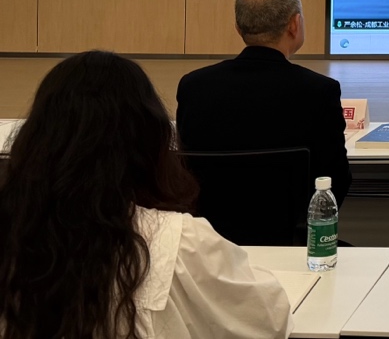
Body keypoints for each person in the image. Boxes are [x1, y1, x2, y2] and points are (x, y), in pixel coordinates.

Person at [0, 51, 291, 339]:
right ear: (148, 140)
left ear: (37, 139)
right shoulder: (179, 243)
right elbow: (269, 317)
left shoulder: (13, 238)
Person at [177, 0, 351, 203]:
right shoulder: (319, 91)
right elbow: (336, 179)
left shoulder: (193, 86)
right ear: (294, 24)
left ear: (238, 28)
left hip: (207, 224)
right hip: (293, 224)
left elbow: (185, 172)